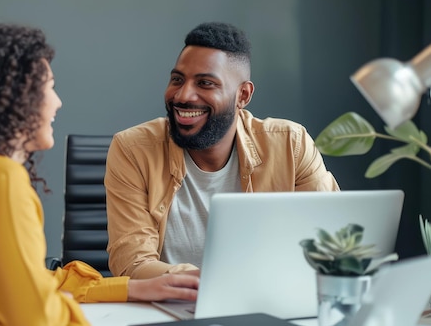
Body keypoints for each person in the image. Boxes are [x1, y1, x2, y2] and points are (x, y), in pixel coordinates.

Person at [0, 23, 198, 326]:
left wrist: (132, 289)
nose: (57, 102)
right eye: (49, 88)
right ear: (9, 99)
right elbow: (34, 318)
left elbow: (33, 281)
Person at [105, 22, 340, 279]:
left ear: (243, 95)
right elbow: (132, 264)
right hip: (170, 308)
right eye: (177, 80)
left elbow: (334, 241)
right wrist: (215, 284)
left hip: (267, 303)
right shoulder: (133, 149)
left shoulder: (291, 145)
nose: (183, 95)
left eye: (205, 83)